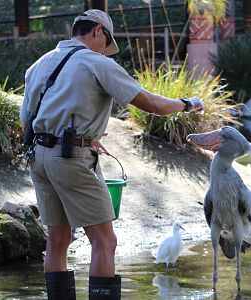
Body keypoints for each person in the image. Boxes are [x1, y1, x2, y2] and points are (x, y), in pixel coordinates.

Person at [20, 9, 204, 300]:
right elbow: (152, 104)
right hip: (71, 160)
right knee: (104, 241)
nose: (106, 51)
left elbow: (27, 120)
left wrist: (82, 139)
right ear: (97, 32)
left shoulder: (39, 64)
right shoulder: (96, 63)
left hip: (39, 157)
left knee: (57, 240)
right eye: (106, 44)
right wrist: (187, 104)